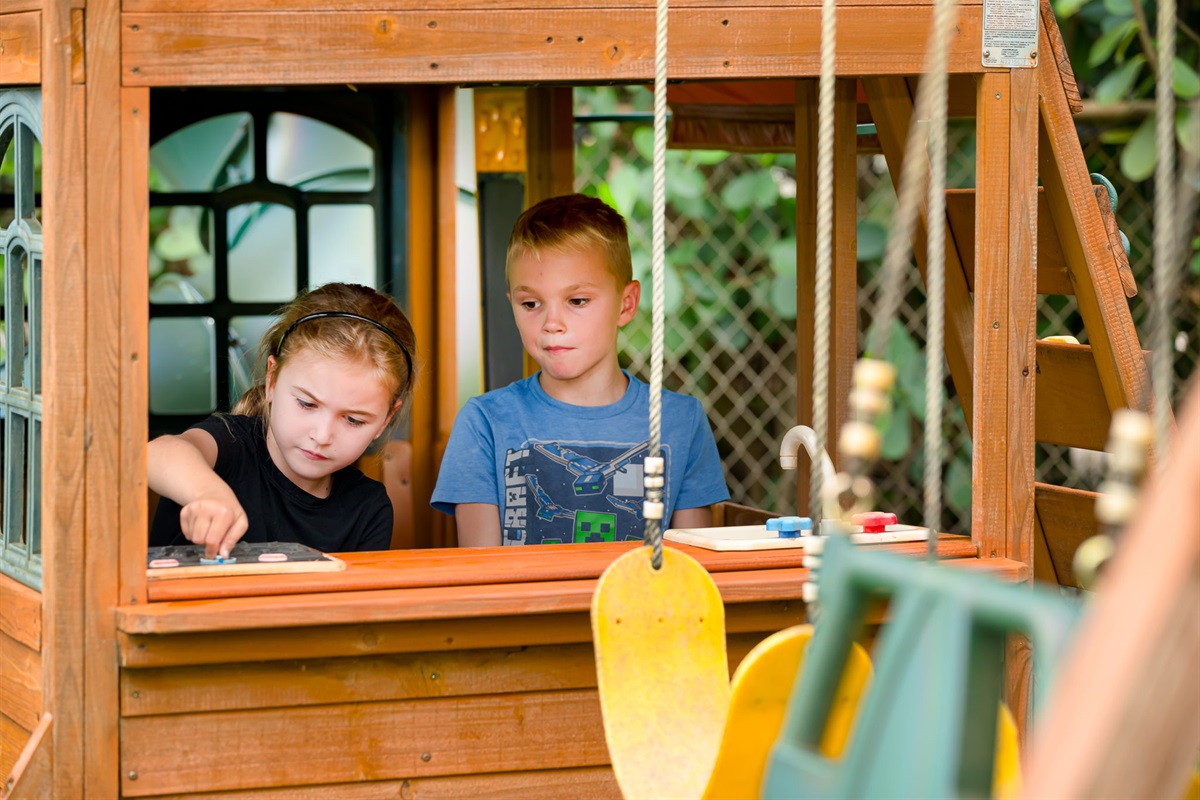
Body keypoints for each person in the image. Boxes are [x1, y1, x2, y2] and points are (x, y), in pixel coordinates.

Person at [432, 193, 729, 546]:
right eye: (531, 303)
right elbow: (482, 575)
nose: (552, 323)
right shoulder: (484, 422)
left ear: (626, 303)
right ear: (512, 304)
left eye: (577, 301)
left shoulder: (681, 421)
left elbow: (691, 570)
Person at [149, 282, 417, 557]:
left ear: (385, 420)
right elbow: (157, 454)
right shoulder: (229, 446)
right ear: (272, 380)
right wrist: (205, 492)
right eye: (306, 403)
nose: (322, 436)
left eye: (353, 420)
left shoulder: (368, 507)